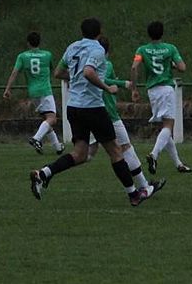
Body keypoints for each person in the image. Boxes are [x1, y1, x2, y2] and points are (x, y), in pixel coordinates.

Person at [29, 18, 159, 207]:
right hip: (92, 107)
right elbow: (88, 72)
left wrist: (75, 79)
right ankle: (133, 194)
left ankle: (43, 173)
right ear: (99, 32)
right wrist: (107, 88)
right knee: (116, 151)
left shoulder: (72, 47)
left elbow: (58, 73)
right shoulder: (97, 49)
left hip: (73, 107)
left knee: (80, 154)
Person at [87, 36, 165, 195]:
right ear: (107, 51)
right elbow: (103, 79)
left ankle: (46, 172)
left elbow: (102, 80)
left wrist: (117, 84)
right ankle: (144, 186)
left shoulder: (89, 65)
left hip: (92, 112)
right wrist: (124, 83)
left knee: (87, 154)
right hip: (108, 114)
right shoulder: (105, 64)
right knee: (125, 147)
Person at [130, 21, 192, 174]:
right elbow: (182, 67)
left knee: (164, 128)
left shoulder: (142, 50)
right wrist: (172, 65)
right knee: (168, 126)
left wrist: (134, 89)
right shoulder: (170, 48)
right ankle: (154, 155)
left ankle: (178, 164)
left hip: (152, 91)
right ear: (162, 33)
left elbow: (134, 67)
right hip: (166, 89)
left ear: (149, 34)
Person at [3, 31, 64, 155]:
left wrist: (8, 88)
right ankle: (36, 138)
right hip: (45, 90)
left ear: (28, 43)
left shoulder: (22, 56)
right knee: (52, 119)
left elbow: (14, 73)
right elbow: (54, 70)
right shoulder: (47, 55)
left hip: (33, 92)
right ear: (39, 42)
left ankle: (57, 146)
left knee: (46, 120)